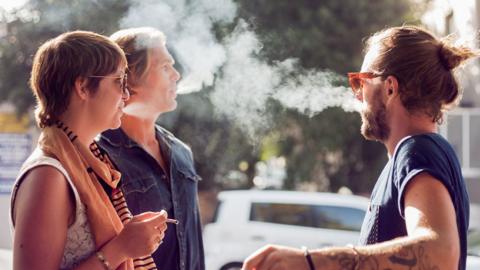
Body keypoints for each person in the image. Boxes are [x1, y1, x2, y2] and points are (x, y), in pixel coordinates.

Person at [242, 25, 475, 270]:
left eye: (360, 82)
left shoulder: (417, 150)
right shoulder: (417, 153)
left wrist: (311, 262)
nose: (357, 96)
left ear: (390, 88)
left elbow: (440, 254)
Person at [10, 31, 168, 270]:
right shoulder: (48, 175)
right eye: (119, 82)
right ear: (83, 87)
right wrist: (121, 248)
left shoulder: (94, 164)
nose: (126, 95)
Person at [97, 27, 205, 270]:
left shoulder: (181, 152)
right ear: (130, 79)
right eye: (165, 67)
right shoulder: (98, 156)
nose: (177, 75)